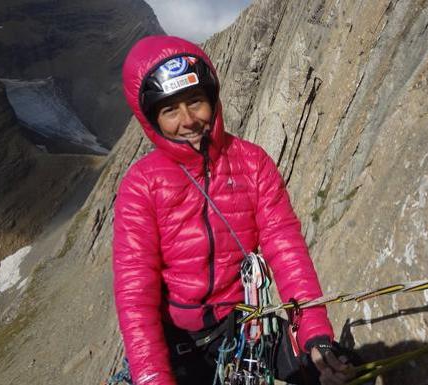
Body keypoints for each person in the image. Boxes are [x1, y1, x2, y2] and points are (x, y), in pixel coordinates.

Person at [113, 35, 352, 385]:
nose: (188, 120)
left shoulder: (252, 164)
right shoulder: (141, 186)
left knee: (336, 367)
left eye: (195, 101)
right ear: (152, 120)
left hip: (244, 328)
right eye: (169, 110)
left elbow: (286, 249)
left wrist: (314, 334)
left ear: (212, 98)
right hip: (178, 344)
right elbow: (136, 293)